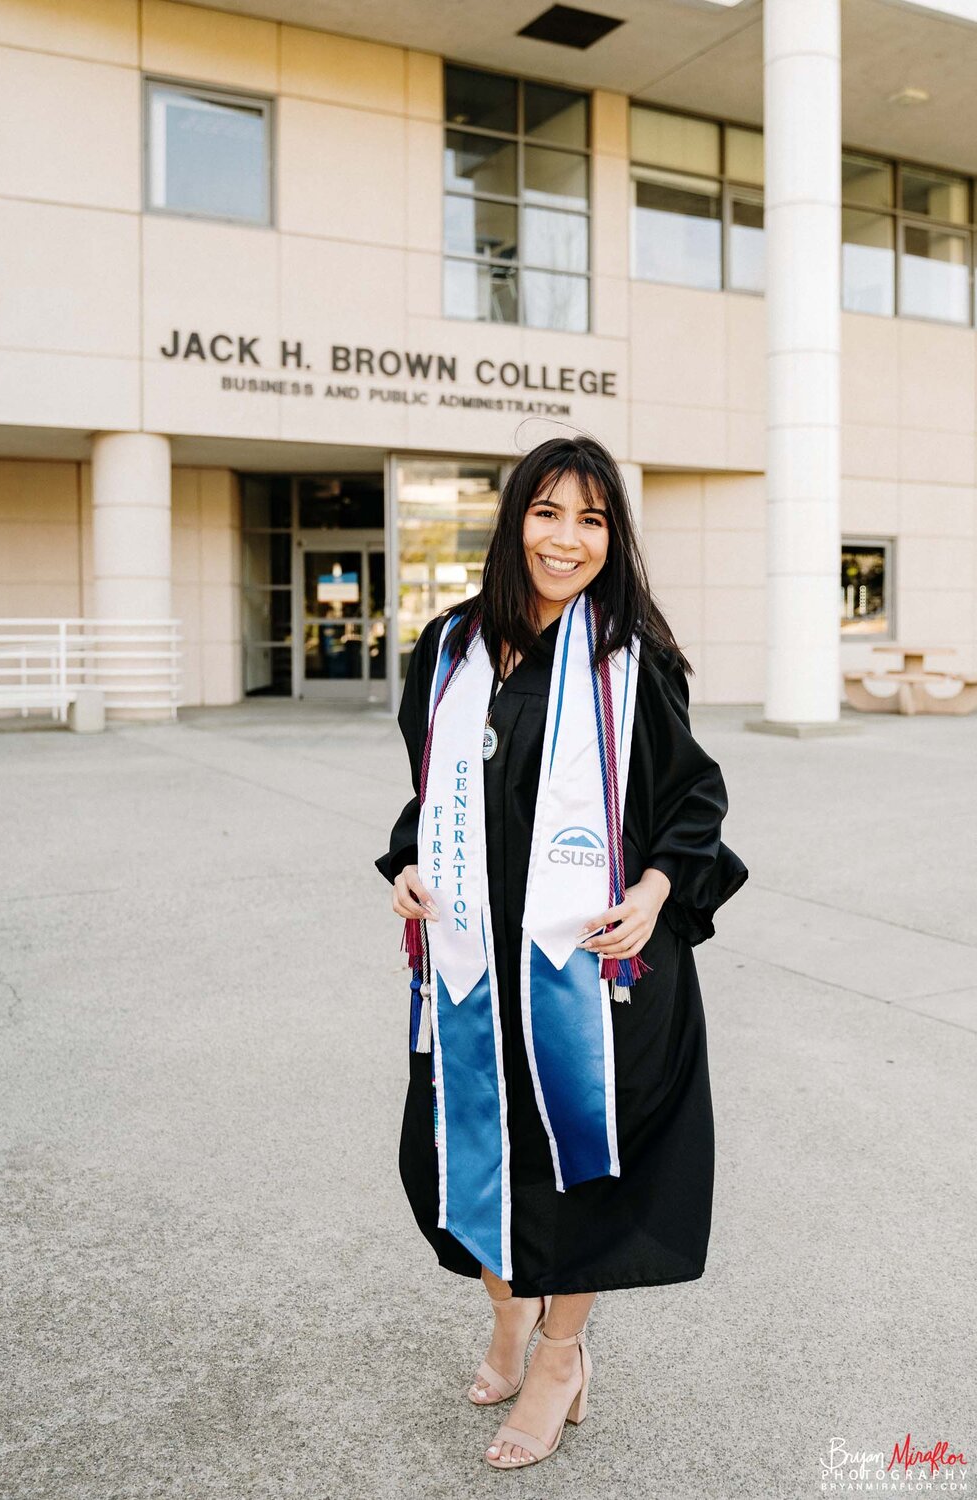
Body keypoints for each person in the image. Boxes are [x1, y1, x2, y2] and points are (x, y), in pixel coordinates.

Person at [375, 434, 747, 1471]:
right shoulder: (447, 648)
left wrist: (658, 891)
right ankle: (507, 1313)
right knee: (464, 1153)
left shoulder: (632, 659)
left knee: (582, 1169)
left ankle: (559, 1355)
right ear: (514, 520)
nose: (567, 538)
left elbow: (694, 804)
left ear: (610, 535)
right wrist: (406, 866)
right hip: (468, 967)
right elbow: (433, 795)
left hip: (594, 973)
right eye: (548, 512)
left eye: (591, 518)